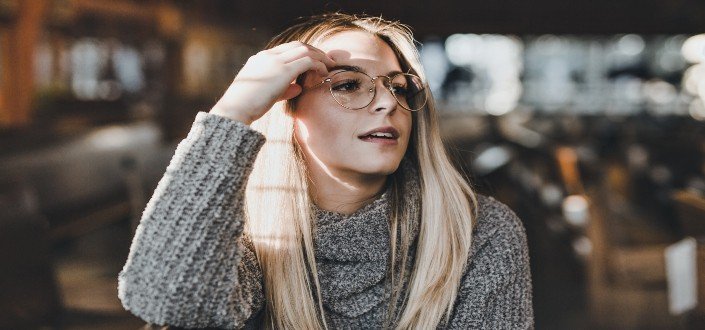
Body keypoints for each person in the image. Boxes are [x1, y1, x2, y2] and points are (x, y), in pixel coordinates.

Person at [118, 12, 533, 330]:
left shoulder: (479, 232)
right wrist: (233, 113)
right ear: (286, 109)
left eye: (398, 85)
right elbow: (164, 295)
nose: (387, 102)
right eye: (348, 84)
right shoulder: (242, 236)